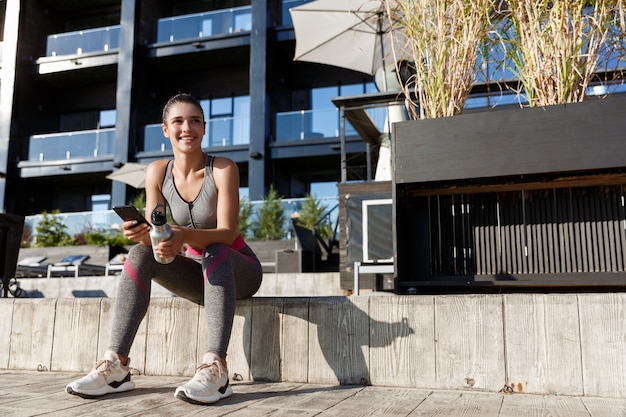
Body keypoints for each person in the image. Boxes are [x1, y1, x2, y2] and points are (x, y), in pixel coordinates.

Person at [65, 93, 263, 405]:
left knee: (215, 251)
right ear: (165, 130)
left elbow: (226, 234)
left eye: (195, 120)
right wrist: (141, 234)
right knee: (139, 254)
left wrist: (181, 234)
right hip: (198, 277)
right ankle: (115, 366)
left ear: (204, 127)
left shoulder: (223, 169)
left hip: (239, 270)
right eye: (179, 121)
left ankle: (216, 367)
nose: (188, 127)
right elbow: (159, 237)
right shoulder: (157, 171)